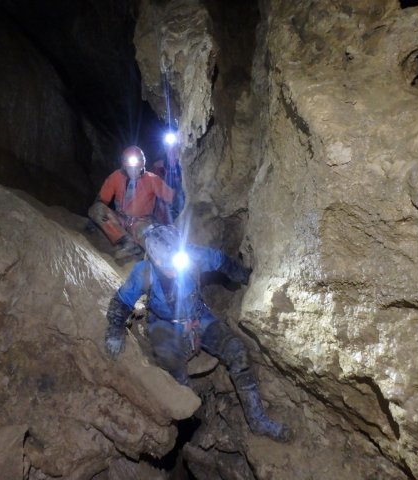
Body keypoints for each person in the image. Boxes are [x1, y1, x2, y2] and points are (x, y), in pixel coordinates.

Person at [103, 224, 292, 442]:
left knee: (236, 350)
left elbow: (222, 261)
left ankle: (258, 420)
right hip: (164, 324)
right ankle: (189, 413)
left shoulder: (191, 256)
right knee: (171, 363)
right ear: (155, 261)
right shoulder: (144, 272)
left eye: (174, 259)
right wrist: (115, 330)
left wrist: (247, 276)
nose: (172, 267)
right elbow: (121, 301)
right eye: (165, 263)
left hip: (198, 317)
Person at [88, 146, 175, 260]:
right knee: (96, 210)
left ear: (142, 166)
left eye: (137, 168)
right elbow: (101, 200)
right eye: (130, 168)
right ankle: (128, 243)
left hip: (141, 223)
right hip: (121, 219)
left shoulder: (152, 180)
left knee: (153, 242)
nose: (134, 171)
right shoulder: (116, 177)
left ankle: (155, 258)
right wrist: (93, 222)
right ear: (125, 166)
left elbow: (172, 197)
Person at [151, 134, 185, 224]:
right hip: (164, 208)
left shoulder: (185, 165)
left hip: (182, 205)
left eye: (174, 147)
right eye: (168, 147)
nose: (171, 150)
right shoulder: (158, 166)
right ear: (165, 149)